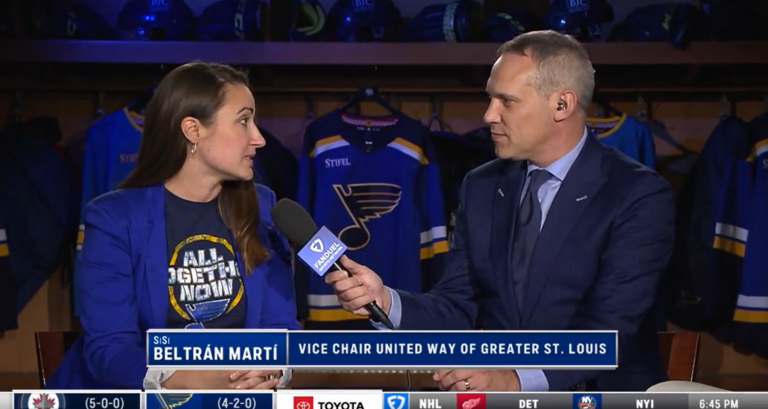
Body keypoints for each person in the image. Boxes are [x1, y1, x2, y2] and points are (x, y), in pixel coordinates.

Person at [325, 30, 675, 392]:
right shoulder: (482, 185)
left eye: (506, 101)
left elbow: (609, 329)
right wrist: (386, 300)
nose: (489, 115)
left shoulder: (637, 194)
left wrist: (515, 380)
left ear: (562, 105)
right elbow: (458, 304)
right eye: (491, 98)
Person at [47, 62, 300, 390]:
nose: (259, 138)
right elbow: (110, 351)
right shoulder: (113, 219)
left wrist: (270, 373)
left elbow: (280, 330)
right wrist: (198, 382)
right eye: (243, 121)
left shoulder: (265, 208)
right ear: (193, 130)